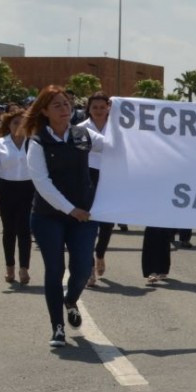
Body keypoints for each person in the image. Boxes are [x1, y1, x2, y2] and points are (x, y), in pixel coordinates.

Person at [24, 85, 103, 348]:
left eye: (67, 104)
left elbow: (116, 149)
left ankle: (71, 300)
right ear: (44, 111)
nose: (64, 109)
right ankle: (57, 327)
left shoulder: (83, 135)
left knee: (82, 269)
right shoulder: (37, 142)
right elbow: (42, 184)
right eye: (57, 105)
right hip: (49, 217)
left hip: (83, 216)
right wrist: (70, 209)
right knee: (55, 269)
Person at [0, 108, 34, 285]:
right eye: (15, 123)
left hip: (28, 189)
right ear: (9, 125)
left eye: (23, 123)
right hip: (6, 189)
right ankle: (10, 267)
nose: (19, 126)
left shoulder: (34, 143)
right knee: (9, 230)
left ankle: (24, 269)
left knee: (25, 230)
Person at [83, 92, 114, 287]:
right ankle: (90, 267)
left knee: (108, 222)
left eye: (102, 107)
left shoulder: (118, 127)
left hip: (112, 176)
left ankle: (100, 253)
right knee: (89, 222)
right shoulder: (80, 128)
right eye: (95, 107)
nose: (99, 111)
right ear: (89, 108)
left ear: (108, 107)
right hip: (88, 175)